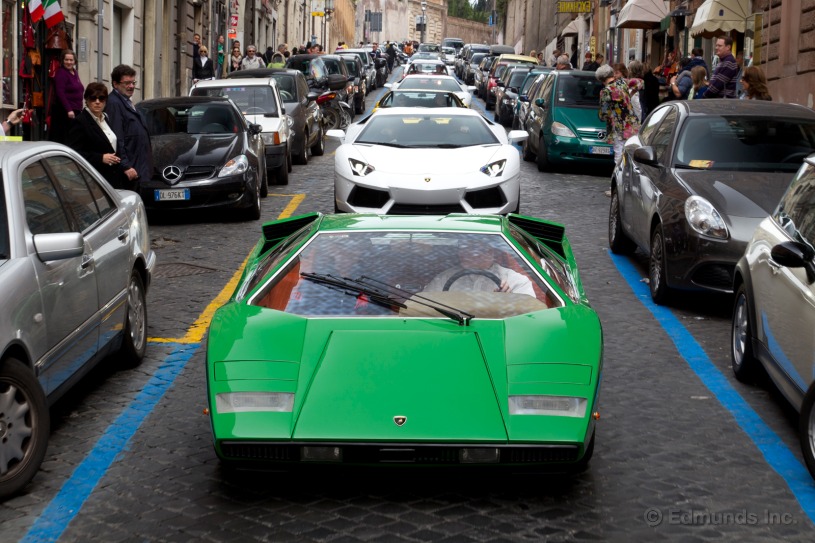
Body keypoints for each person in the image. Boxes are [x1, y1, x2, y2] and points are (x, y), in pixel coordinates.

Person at [67, 82, 128, 189]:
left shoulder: (106, 118)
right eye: (93, 98)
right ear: (86, 100)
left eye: (101, 98)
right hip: (94, 180)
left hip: (113, 178)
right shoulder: (80, 121)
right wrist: (100, 158)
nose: (97, 102)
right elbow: (74, 152)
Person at [425, 239, 535, 296]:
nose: (466, 253)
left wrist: (509, 300)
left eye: (476, 248)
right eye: (463, 247)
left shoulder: (514, 281)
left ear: (491, 252)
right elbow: (424, 305)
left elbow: (529, 317)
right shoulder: (444, 278)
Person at [105, 64, 152, 186]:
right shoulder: (114, 104)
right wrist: (125, 166)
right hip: (129, 171)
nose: (131, 86)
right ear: (115, 84)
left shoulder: (126, 101)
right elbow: (117, 138)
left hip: (137, 166)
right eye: (127, 83)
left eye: (133, 82)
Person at [597, 64, 640, 165]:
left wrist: (603, 117)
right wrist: (630, 95)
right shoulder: (623, 83)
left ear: (601, 79)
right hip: (632, 124)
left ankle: (621, 177)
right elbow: (640, 82)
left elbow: (603, 113)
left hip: (618, 126)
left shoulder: (606, 91)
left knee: (619, 154)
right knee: (631, 153)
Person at [49, 49, 84, 144]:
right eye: (66, 60)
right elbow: (60, 92)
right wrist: (69, 109)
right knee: (65, 138)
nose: (69, 62)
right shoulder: (61, 73)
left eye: (71, 60)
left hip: (75, 110)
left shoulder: (74, 72)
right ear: (62, 60)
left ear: (74, 61)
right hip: (65, 112)